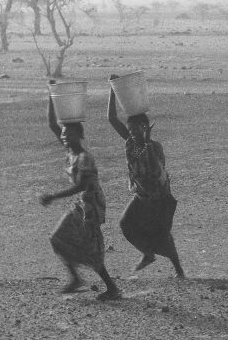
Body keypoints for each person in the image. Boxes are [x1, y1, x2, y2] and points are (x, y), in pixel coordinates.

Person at [37, 90, 121, 301]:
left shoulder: (84, 157)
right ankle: (78, 279)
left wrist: (53, 196)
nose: (64, 136)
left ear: (80, 135)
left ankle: (110, 287)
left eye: (69, 133)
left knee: (87, 246)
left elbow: (81, 186)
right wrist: (51, 94)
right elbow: (53, 124)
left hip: (90, 206)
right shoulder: (71, 152)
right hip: (81, 205)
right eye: (64, 134)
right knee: (58, 238)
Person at [108, 79, 184, 278]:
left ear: (145, 127)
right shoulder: (131, 144)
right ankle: (148, 254)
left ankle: (179, 271)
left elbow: (156, 171)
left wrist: (148, 143)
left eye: (136, 129)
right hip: (142, 197)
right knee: (126, 224)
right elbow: (112, 119)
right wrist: (112, 89)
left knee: (163, 234)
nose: (132, 133)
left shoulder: (154, 147)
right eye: (130, 130)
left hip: (159, 199)